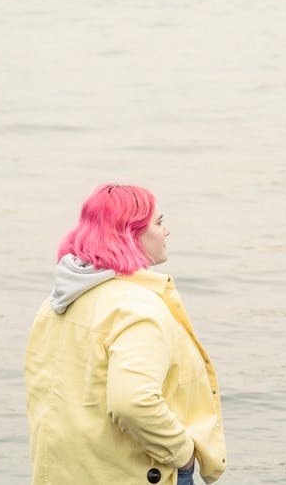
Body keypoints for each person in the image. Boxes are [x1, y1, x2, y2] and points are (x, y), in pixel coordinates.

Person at [25, 184, 227, 485]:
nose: (166, 231)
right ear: (131, 234)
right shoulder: (137, 306)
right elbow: (133, 402)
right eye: (158, 223)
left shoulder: (55, 303)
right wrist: (182, 452)